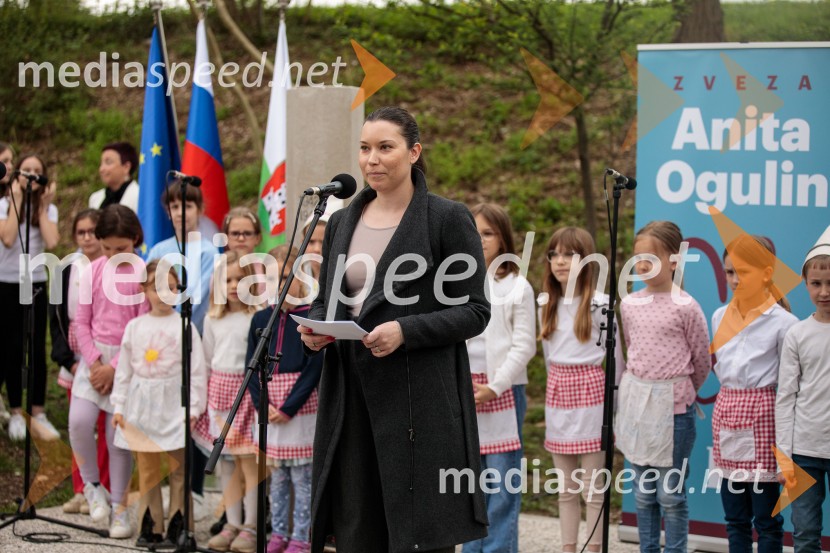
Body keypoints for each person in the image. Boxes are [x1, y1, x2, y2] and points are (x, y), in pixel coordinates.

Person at [299, 106, 491, 553]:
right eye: (365, 149)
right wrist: (316, 327)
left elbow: (476, 311)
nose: (372, 159)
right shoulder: (342, 222)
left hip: (418, 403)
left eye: (386, 148)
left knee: (417, 537)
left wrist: (405, 330)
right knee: (356, 530)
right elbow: (330, 298)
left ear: (414, 152)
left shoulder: (446, 218)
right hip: (350, 399)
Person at [616, 220, 711, 553]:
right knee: (643, 493)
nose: (643, 265)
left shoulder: (686, 307)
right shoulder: (629, 305)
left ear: (674, 260)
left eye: (652, 258)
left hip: (675, 413)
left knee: (670, 494)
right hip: (638, 411)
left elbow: (702, 360)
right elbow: (632, 352)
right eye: (638, 257)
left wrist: (677, 392)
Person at [111, 260, 207, 548]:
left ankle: (179, 523)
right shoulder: (135, 326)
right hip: (141, 406)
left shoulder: (185, 326)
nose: (164, 293)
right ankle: (150, 523)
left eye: (171, 287)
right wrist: (118, 407)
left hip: (173, 406)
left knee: (178, 467)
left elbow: (197, 370)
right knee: (149, 469)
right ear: (144, 290)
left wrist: (194, 407)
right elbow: (124, 371)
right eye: (157, 287)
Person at [539, 226, 623, 553]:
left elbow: (616, 361)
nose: (560, 261)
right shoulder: (546, 302)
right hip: (558, 394)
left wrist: (614, 410)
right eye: (554, 254)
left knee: (593, 489)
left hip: (591, 395)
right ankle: (568, 547)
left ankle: (594, 547)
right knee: (565, 489)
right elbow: (548, 358)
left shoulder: (601, 305)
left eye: (569, 255)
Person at [710, 235, 797, 553]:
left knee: (766, 519)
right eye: (730, 272)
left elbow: (789, 385)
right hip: (727, 416)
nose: (735, 280)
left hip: (764, 419)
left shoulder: (785, 324)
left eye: (743, 272)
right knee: (735, 518)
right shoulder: (719, 317)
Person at [69, 204, 147, 538]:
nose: (115, 256)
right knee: (79, 421)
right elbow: (81, 322)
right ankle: (90, 486)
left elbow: (142, 326)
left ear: (135, 240)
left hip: (126, 364)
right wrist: (95, 363)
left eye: (123, 250)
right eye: (108, 249)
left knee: (119, 441)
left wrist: (115, 369)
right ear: (99, 244)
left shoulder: (143, 274)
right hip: (93, 360)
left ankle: (119, 508)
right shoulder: (92, 271)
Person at [461, 203, 534, 553]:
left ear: (503, 238)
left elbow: (524, 345)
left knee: (502, 485)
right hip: (465, 389)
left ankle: (498, 548)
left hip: (501, 389)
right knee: (469, 482)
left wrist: (495, 386)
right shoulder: (456, 282)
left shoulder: (517, 286)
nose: (480, 240)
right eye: (474, 232)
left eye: (488, 233)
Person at [146, 182, 218, 520]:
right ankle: (160, 497)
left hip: (193, 339)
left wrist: (179, 329)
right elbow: (151, 290)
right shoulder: (158, 250)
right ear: (168, 212)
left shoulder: (208, 251)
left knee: (189, 414)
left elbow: (200, 296)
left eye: (188, 207)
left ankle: (192, 491)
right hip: (159, 345)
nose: (181, 212)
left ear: (199, 211)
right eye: (175, 207)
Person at [248, 245, 323, 553]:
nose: (279, 285)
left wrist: (289, 407)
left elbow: (314, 368)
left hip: (299, 408)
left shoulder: (309, 317)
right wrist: (262, 405)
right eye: (272, 278)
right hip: (269, 407)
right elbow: (250, 368)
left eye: (286, 277)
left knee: (302, 480)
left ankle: (301, 537)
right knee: (276, 477)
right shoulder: (260, 319)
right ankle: (278, 532)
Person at [192, 251, 259, 553]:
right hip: (220, 396)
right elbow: (205, 362)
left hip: (247, 395)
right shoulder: (212, 319)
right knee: (227, 465)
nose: (234, 286)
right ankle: (232, 522)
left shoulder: (256, 316)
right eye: (227, 280)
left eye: (240, 279)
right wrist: (202, 403)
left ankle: (252, 526)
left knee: (249, 464)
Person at [49, 209, 112, 514]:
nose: (87, 237)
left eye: (92, 231)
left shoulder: (111, 268)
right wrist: (70, 362)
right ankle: (81, 488)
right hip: (75, 357)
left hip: (102, 357)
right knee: (79, 426)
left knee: (104, 424)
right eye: (81, 232)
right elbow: (57, 317)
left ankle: (104, 486)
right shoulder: (66, 269)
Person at [776, 224, 830, 553]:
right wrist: (784, 455)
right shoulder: (797, 334)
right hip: (804, 451)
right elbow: (786, 398)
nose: (824, 291)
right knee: (805, 531)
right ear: (806, 283)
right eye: (816, 284)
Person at [0, 153, 60, 441]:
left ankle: (37, 411)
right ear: (17, 175)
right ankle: (15, 411)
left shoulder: (48, 210)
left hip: (35, 282)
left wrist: (44, 206)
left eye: (38, 171)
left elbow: (52, 242)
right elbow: (9, 238)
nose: (32, 176)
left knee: (36, 346)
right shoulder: (3, 205)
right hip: (8, 283)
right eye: (27, 171)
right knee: (11, 347)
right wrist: (16, 200)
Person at [89, 142, 139, 212]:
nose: (101, 169)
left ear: (126, 167)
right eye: (101, 163)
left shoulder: (139, 197)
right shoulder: (95, 198)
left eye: (108, 162)